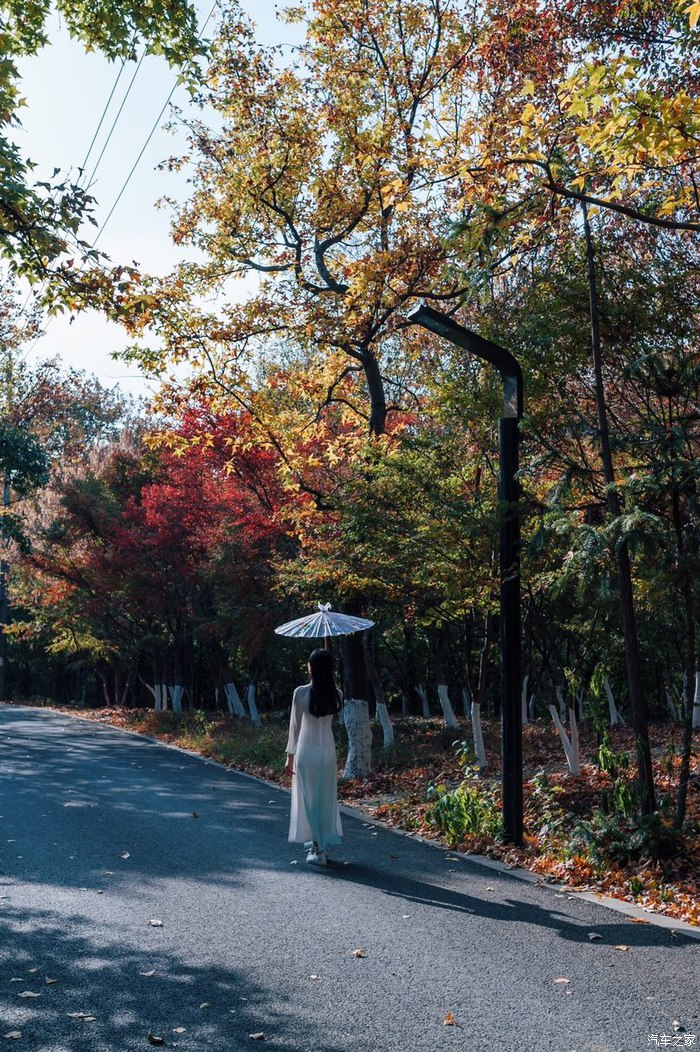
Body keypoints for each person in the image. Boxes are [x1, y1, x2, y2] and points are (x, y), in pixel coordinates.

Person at [284, 648, 343, 866]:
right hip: (327, 752)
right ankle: (320, 842)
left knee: (309, 799)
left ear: (311, 667)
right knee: (325, 797)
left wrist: (289, 758)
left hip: (306, 752)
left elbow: (295, 729)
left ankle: (318, 849)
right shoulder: (337, 694)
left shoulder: (300, 693)